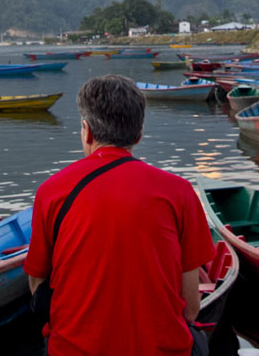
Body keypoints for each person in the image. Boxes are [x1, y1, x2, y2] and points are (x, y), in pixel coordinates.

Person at [24, 75, 215, 355]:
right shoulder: (180, 192)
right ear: (139, 134)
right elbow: (191, 307)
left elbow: (37, 283)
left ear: (87, 131)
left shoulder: (51, 192)